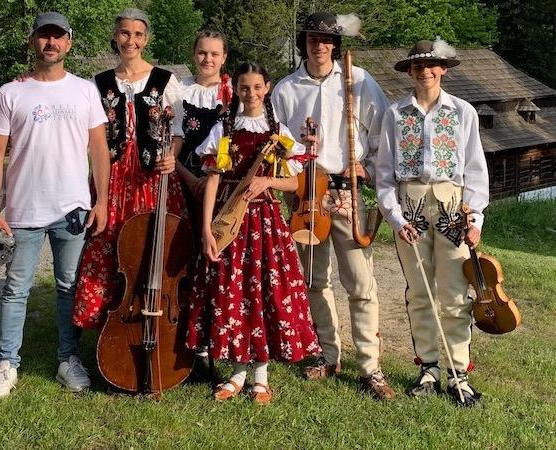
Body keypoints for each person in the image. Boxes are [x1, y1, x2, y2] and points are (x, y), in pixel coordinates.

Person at [0, 12, 110, 399]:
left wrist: (101, 199)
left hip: (71, 208)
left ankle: (68, 359)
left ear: (68, 43)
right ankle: (7, 363)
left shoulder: (85, 90)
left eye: (58, 37)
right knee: (16, 288)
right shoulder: (10, 93)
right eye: (43, 37)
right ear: (33, 42)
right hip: (22, 210)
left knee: (68, 287)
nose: (50, 44)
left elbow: (99, 147)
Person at [271, 12, 395, 400]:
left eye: (326, 40)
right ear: (303, 42)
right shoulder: (286, 89)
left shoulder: (357, 80)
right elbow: (280, 144)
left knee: (360, 283)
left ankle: (370, 367)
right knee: (313, 280)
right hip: (306, 195)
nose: (319, 45)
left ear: (335, 45)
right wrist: (296, 174)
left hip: (347, 193)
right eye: (312, 38)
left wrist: (367, 166)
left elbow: (382, 128)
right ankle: (327, 354)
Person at [186, 62, 320, 405]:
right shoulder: (224, 128)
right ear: (237, 91)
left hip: (264, 222)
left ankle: (260, 376)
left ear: (268, 88)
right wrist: (206, 228)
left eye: (257, 87)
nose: (251, 93)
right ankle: (237, 372)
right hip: (231, 223)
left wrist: (268, 180)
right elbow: (213, 179)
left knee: (262, 292)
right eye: (245, 88)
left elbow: (295, 181)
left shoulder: (278, 132)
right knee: (232, 291)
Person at [376, 39, 489, 407]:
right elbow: (383, 176)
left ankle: (459, 373)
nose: (425, 71)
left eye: (432, 65)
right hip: (410, 206)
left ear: (443, 70)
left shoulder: (463, 113)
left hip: (452, 207)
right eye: (418, 66)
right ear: (409, 71)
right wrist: (394, 217)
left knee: (455, 294)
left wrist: (476, 219)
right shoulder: (395, 114)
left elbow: (474, 170)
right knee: (420, 292)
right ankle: (429, 367)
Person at [72, 8, 187, 329]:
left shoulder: (165, 79)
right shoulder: (100, 83)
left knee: (152, 246)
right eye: (124, 33)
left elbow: (178, 130)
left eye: (137, 34)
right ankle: (107, 323)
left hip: (153, 180)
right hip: (112, 179)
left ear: (146, 39)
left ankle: (154, 319)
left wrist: (172, 156)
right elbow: (91, 134)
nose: (130, 40)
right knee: (108, 248)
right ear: (114, 36)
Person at [175, 30, 231, 376]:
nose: (207, 59)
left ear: (224, 57)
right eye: (202, 53)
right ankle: (185, 343)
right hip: (185, 183)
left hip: (223, 190)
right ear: (193, 54)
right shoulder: (179, 91)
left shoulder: (234, 93)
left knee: (217, 264)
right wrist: (188, 177)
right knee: (186, 261)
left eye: (214, 54)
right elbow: (172, 144)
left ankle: (217, 342)